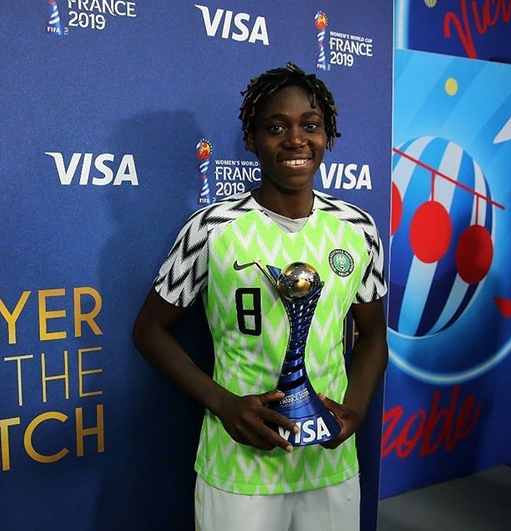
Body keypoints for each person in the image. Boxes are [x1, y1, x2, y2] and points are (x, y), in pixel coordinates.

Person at [133, 63, 388, 531]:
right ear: (251, 139)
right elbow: (150, 331)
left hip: (328, 461)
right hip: (239, 461)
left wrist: (354, 410)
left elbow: (373, 336)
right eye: (276, 127)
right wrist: (225, 405)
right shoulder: (211, 228)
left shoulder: (358, 228)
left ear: (327, 136)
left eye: (310, 126)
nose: (296, 140)